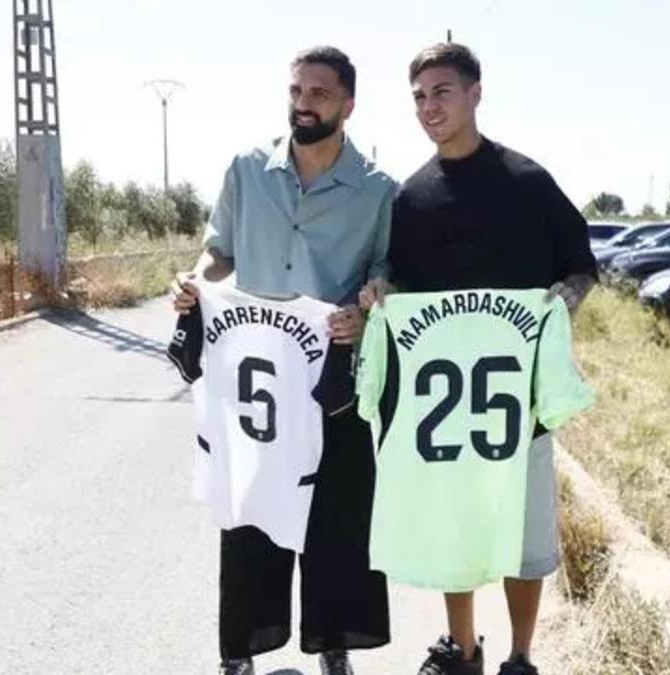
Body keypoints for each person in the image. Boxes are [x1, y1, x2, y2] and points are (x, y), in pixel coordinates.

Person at [359, 43, 597, 675]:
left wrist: (566, 298)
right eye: (418, 97)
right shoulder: (412, 197)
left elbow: (580, 262)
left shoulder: (527, 181)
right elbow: (398, 274)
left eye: (441, 91)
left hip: (517, 404)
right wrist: (383, 287)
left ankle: (520, 656)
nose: (428, 107)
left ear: (474, 94)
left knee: (523, 542)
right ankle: (462, 650)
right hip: (445, 411)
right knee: (455, 535)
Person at [172, 46, 394, 675]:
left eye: (319, 94)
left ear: (348, 105)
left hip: (333, 377)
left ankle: (334, 646)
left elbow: (384, 275)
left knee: (338, 515)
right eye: (297, 90)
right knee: (249, 510)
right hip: (256, 375)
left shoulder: (379, 192)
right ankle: (240, 652)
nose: (304, 103)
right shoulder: (247, 170)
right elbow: (218, 253)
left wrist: (366, 306)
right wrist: (193, 282)